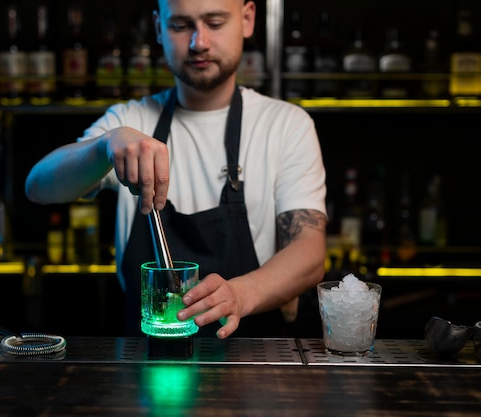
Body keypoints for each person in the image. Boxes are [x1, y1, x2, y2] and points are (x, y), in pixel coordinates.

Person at [25, 0, 327, 339]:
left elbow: (309, 252)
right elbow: (38, 186)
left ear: (247, 19)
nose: (199, 42)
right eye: (181, 26)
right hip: (143, 367)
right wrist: (104, 145)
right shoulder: (131, 121)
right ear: (158, 28)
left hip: (252, 370)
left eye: (214, 22)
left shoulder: (285, 125)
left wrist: (242, 293)